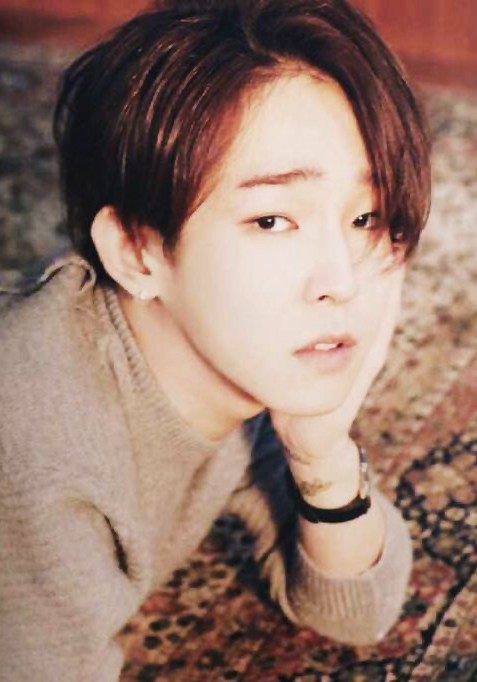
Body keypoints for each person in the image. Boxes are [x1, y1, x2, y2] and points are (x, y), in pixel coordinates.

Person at [0, 0, 430, 679]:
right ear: (137, 251)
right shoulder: (37, 445)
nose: (341, 282)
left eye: (365, 217)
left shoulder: (239, 360)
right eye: (271, 220)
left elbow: (355, 614)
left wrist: (321, 453)